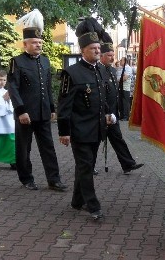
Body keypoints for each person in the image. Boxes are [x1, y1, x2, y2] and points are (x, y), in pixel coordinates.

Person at [58, 17, 116, 221]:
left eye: (99, 48)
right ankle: (93, 205)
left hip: (97, 128)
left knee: (87, 166)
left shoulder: (101, 69)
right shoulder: (70, 73)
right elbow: (64, 106)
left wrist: (109, 114)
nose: (98, 52)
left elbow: (102, 97)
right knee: (86, 167)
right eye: (93, 49)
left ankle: (76, 200)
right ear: (83, 50)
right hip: (79, 130)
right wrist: (64, 131)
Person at [7, 9, 67, 191]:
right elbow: (13, 88)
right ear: (25, 44)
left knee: (48, 147)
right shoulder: (16, 62)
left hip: (42, 113)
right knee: (24, 148)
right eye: (34, 42)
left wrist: (52, 108)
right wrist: (20, 111)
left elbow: (47, 87)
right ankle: (26, 179)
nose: (38, 45)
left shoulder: (46, 61)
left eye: (40, 42)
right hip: (25, 113)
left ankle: (54, 179)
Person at [98, 34, 144, 174]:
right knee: (94, 142)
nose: (112, 58)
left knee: (117, 138)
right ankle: (88, 166)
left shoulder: (112, 70)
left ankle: (128, 163)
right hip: (101, 113)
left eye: (113, 55)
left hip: (113, 112)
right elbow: (100, 95)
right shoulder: (97, 71)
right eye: (109, 55)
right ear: (101, 56)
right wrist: (106, 112)